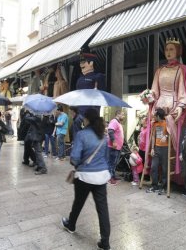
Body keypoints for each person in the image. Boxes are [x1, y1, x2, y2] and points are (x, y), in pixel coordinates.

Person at [61, 108, 111, 250]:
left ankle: (71, 225)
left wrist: (76, 163)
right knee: (103, 209)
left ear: (87, 119)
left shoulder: (82, 135)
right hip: (101, 177)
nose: (82, 119)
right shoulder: (103, 136)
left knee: (78, 202)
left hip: (84, 177)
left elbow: (75, 158)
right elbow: (106, 157)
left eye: (84, 118)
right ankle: (105, 242)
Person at [146, 38, 186, 175]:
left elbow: (183, 91)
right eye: (166, 49)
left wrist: (180, 106)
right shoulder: (159, 70)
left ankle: (171, 175)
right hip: (159, 108)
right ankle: (158, 173)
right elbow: (154, 91)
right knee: (159, 141)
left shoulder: (182, 69)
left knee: (171, 144)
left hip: (173, 109)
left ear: (178, 51)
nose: (168, 52)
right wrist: (148, 97)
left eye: (172, 49)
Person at [146, 108, 169, 194]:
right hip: (156, 148)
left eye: (155, 115)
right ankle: (154, 186)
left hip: (165, 148)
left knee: (164, 168)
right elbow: (153, 136)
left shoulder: (166, 123)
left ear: (158, 116)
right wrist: (152, 148)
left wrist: (165, 136)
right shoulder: (154, 124)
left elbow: (171, 134)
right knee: (153, 167)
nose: (154, 116)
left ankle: (163, 187)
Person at [76, 50, 105, 115]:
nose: (81, 64)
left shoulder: (98, 76)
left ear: (91, 63)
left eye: (83, 62)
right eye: (80, 62)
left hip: (92, 111)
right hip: (80, 111)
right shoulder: (80, 78)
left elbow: (102, 94)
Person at [107, 110, 125, 185]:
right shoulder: (114, 121)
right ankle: (109, 178)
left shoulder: (118, 123)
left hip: (117, 147)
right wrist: (114, 142)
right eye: (123, 115)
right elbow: (110, 131)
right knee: (111, 162)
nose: (124, 116)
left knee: (114, 163)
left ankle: (113, 175)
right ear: (118, 114)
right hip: (113, 147)